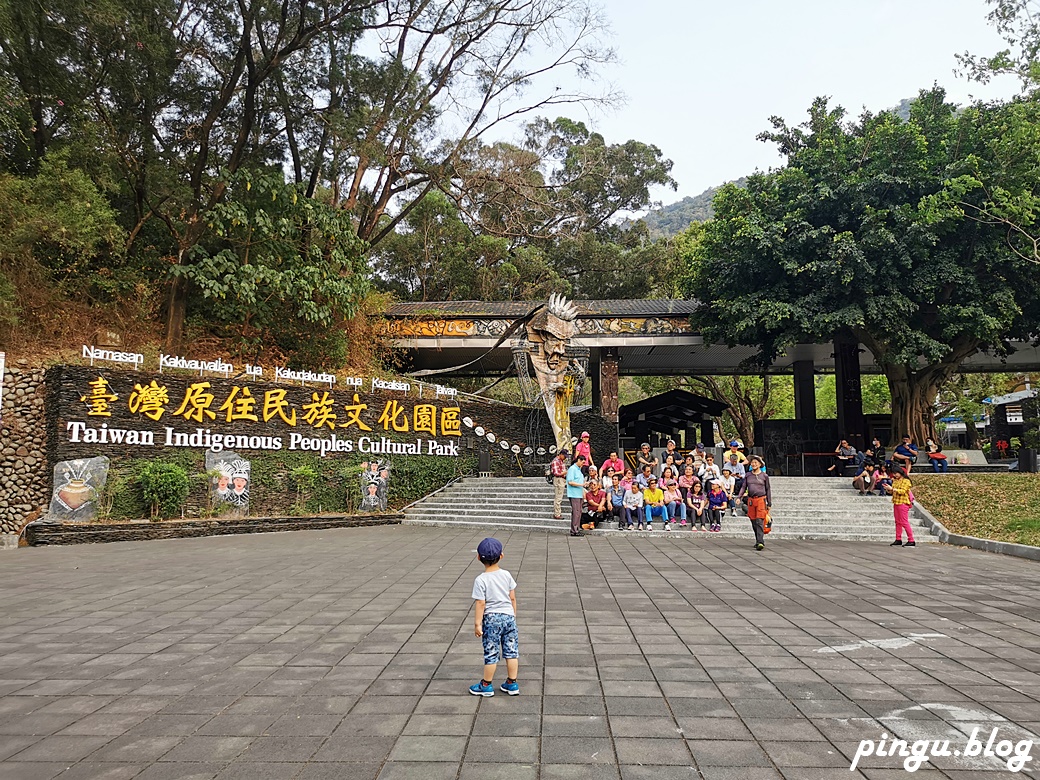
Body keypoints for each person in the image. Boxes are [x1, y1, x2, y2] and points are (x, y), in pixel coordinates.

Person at [470, 538, 519, 696]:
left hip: (492, 619)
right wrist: (513, 615)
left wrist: (478, 624)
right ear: (502, 555)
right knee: (511, 651)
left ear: (478, 557)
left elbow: (481, 604)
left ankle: (486, 685)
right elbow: (512, 597)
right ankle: (512, 683)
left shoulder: (481, 580)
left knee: (491, 652)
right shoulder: (506, 575)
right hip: (509, 617)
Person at [736, 455, 772, 551]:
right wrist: (739, 497)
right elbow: (744, 487)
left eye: (756, 462)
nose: (754, 464)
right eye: (752, 462)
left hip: (761, 499)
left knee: (759, 520)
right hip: (751, 500)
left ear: (760, 464)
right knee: (753, 520)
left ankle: (760, 541)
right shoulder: (748, 475)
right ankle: (758, 539)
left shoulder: (764, 476)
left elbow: (768, 489)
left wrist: (769, 503)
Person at [884, 467, 916, 547]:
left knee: (904, 522)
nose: (895, 475)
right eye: (893, 474)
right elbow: (893, 491)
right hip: (896, 502)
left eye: (896, 473)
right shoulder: (895, 480)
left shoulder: (906, 481)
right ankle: (898, 539)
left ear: (900, 472)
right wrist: (889, 489)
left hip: (903, 503)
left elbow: (903, 491)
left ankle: (911, 540)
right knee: (897, 522)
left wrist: (893, 489)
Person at [566, 455, 587, 537]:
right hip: (574, 494)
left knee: (578, 512)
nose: (583, 464)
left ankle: (576, 528)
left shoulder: (579, 470)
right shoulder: (572, 469)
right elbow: (570, 482)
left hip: (579, 493)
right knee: (576, 512)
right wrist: (581, 484)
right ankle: (574, 530)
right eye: (582, 462)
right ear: (578, 460)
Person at [549, 449, 569, 519]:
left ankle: (557, 513)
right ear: (561, 454)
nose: (565, 458)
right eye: (564, 456)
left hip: (562, 479)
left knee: (559, 497)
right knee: (558, 497)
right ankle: (557, 514)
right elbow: (556, 473)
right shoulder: (556, 461)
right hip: (558, 479)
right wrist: (564, 473)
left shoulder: (560, 461)